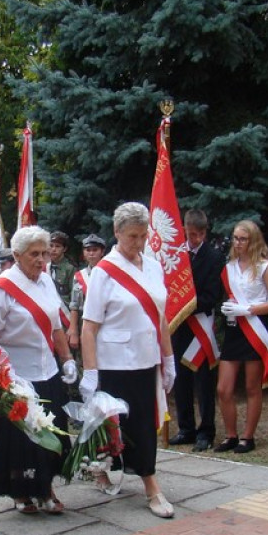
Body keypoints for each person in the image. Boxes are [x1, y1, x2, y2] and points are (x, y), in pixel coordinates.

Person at [80, 202, 176, 518]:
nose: (138, 242)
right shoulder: (104, 272)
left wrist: (169, 358)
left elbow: (161, 318)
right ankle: (119, 476)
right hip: (115, 362)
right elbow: (89, 327)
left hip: (147, 359)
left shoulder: (153, 267)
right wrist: (90, 372)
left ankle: (148, 481)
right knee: (114, 426)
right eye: (132, 236)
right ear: (117, 232)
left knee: (144, 425)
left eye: (143, 235)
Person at [0, 226, 77, 514]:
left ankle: (46, 489)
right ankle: (20, 492)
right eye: (34, 254)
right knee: (21, 441)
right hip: (16, 377)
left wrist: (67, 359)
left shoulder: (46, 281)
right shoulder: (3, 288)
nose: (41, 259)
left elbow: (56, 326)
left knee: (49, 432)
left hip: (47, 371)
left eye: (44, 253)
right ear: (17, 255)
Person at [214, 220, 268, 453]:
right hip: (235, 328)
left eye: (243, 239)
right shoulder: (229, 267)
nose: (238, 243)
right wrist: (229, 307)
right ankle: (230, 435)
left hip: (255, 327)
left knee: (252, 386)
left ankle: (248, 436)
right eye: (235, 238)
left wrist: (249, 309)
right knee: (223, 388)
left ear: (253, 241)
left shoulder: (264, 267)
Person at [169, 210, 226, 452]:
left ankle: (206, 431)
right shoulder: (176, 255)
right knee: (180, 379)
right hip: (179, 326)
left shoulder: (214, 257)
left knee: (203, 382)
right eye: (191, 234)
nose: (195, 239)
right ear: (184, 229)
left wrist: (186, 304)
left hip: (200, 325)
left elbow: (212, 295)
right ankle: (186, 428)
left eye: (200, 234)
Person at [68, 234, 106, 351]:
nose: (91, 253)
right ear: (84, 253)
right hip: (85, 324)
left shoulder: (109, 274)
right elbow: (74, 305)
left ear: (102, 252)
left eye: (95, 250)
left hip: (106, 323)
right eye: (88, 250)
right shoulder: (79, 276)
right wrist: (73, 330)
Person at [47, 230, 76, 309]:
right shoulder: (44, 266)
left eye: (57, 246)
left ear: (64, 249)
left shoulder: (70, 268)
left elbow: (74, 295)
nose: (53, 249)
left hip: (64, 309)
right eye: (51, 246)